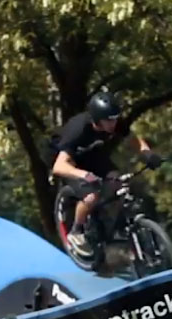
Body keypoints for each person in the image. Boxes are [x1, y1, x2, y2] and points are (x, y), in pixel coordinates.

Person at [49, 91, 162, 257]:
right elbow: (59, 166)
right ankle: (76, 231)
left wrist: (147, 154)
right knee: (91, 195)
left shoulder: (113, 121)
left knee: (118, 182)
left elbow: (134, 140)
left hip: (92, 153)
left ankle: (108, 222)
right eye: (109, 120)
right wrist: (84, 175)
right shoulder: (78, 130)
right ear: (96, 120)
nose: (113, 123)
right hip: (68, 160)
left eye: (115, 118)